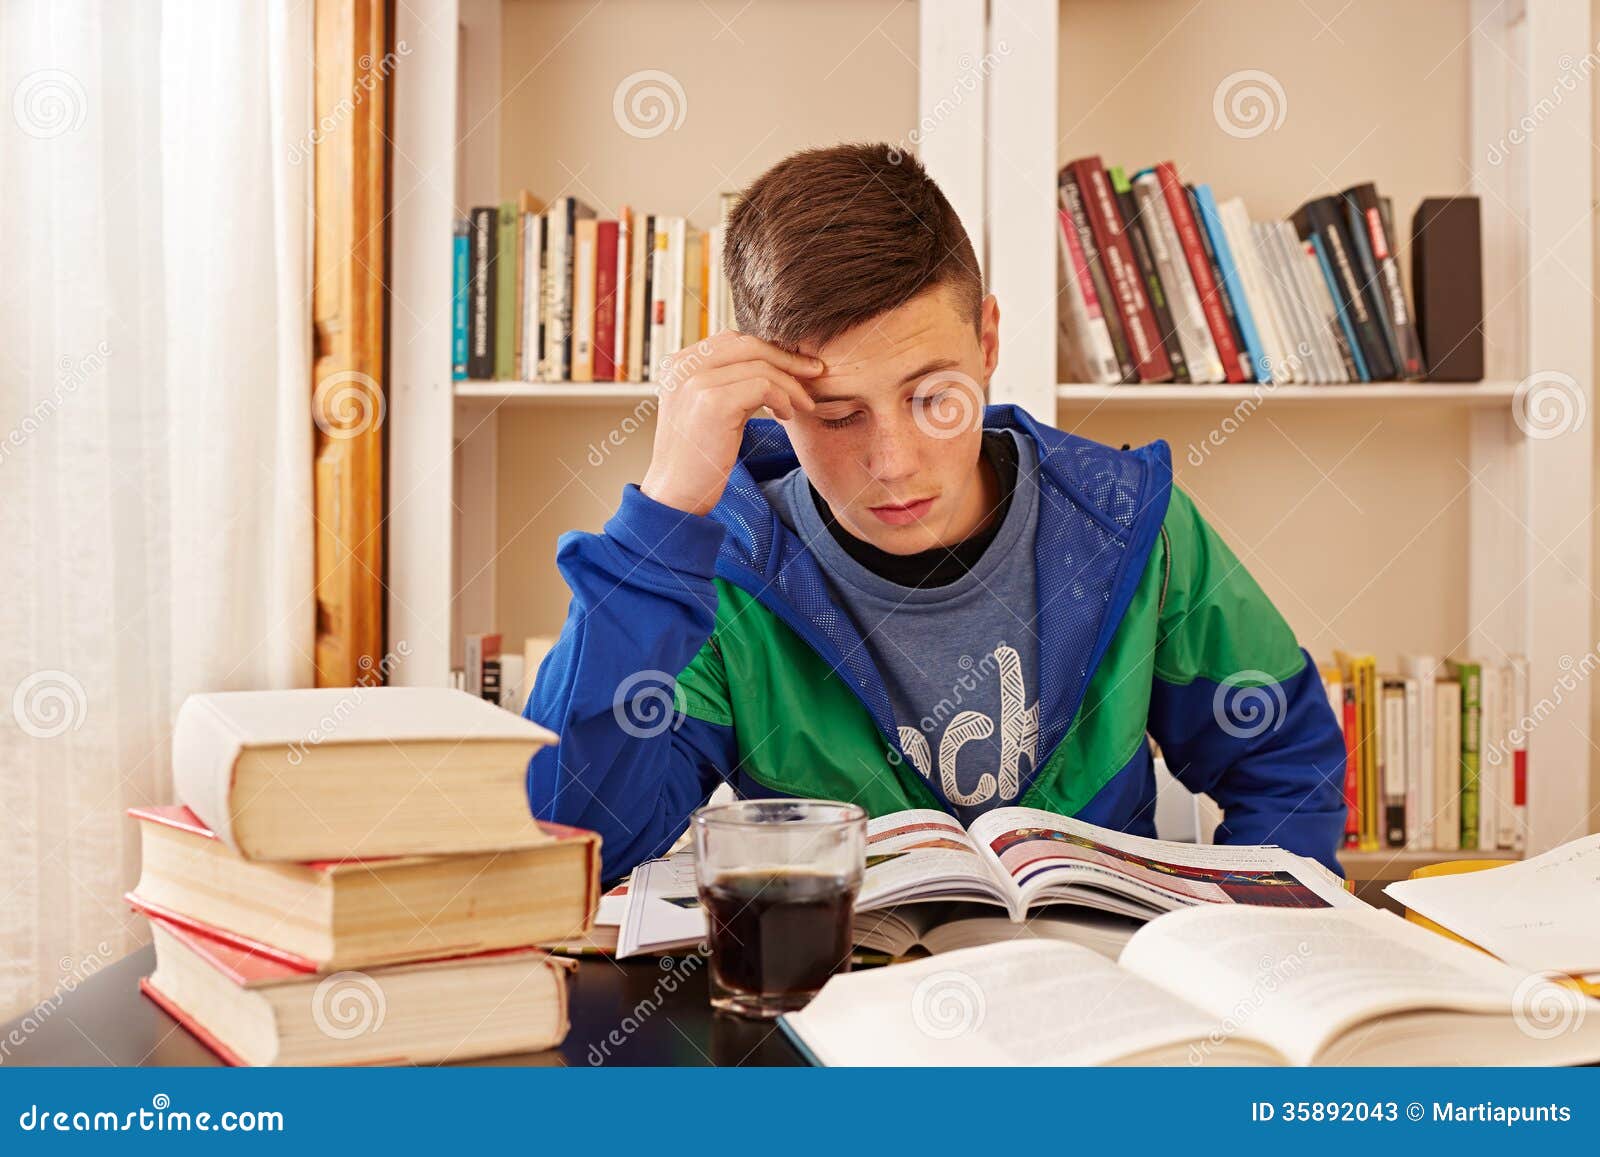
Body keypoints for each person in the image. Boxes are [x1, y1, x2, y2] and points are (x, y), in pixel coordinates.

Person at [524, 142, 1347, 882]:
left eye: (931, 396)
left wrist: (1235, 959)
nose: (894, 463)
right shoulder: (720, 573)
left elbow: (1287, 763)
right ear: (771, 403)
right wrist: (665, 513)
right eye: (838, 414)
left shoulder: (1137, 526)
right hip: (838, 1020)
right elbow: (579, 840)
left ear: (989, 342)